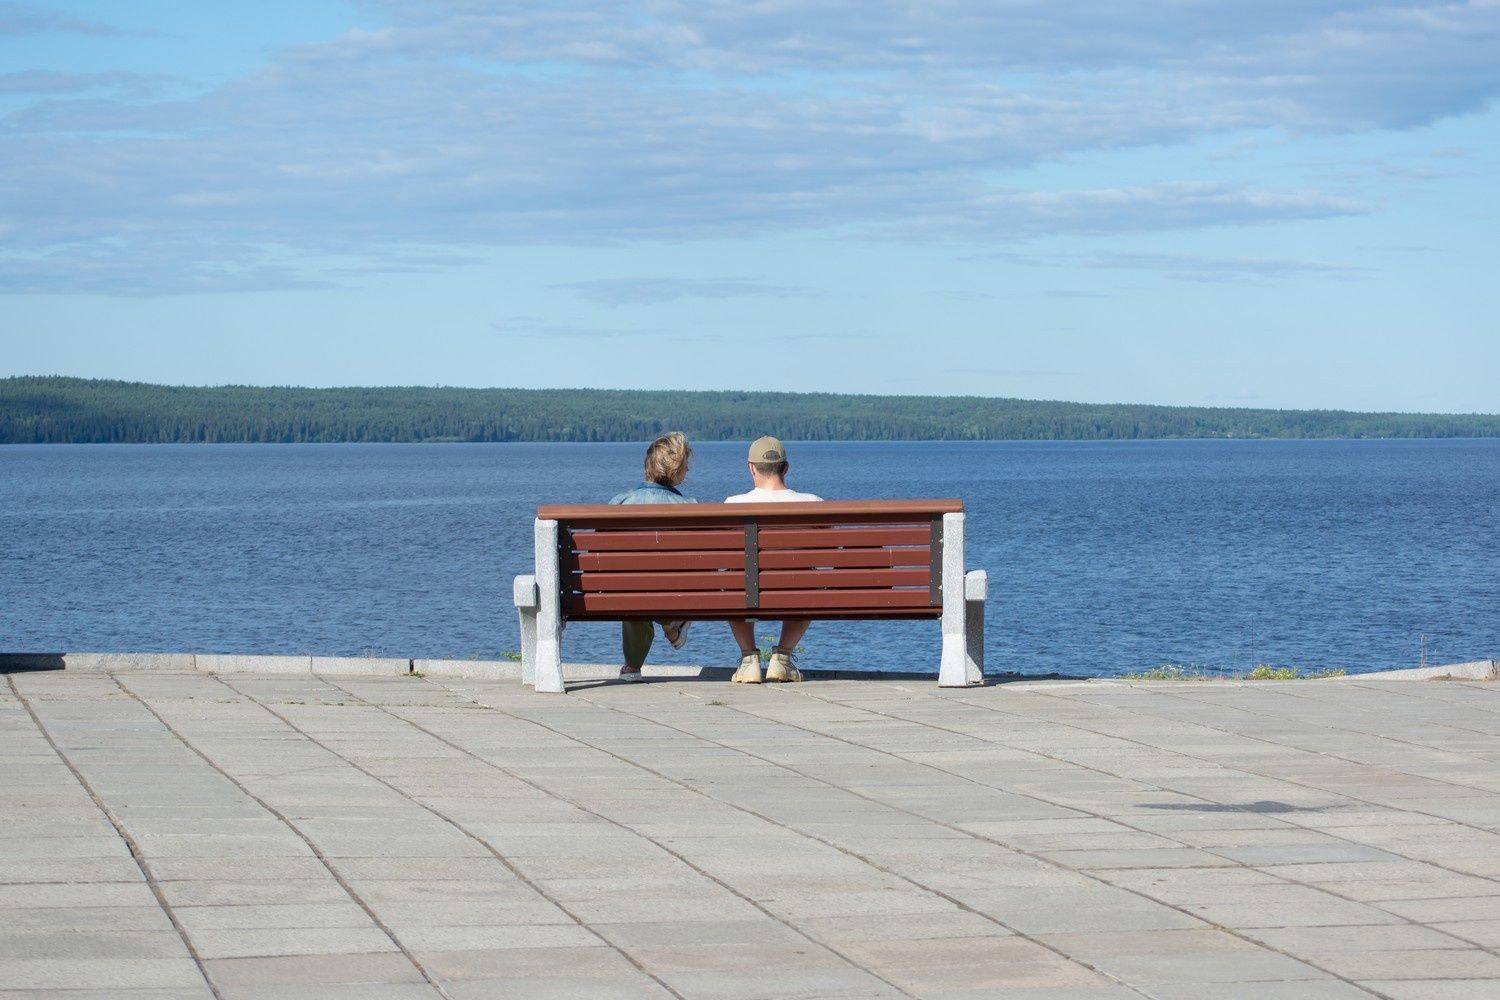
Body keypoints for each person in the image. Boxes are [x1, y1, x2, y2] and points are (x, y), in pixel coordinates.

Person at [725, 435, 821, 683]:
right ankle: (783, 659)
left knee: (733, 579)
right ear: (785, 468)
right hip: (797, 591)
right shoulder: (813, 504)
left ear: (751, 468)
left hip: (747, 591)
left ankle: (749, 660)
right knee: (809, 578)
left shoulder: (733, 505)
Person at [609, 432, 696, 681]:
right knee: (653, 582)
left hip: (626, 593)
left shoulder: (620, 503)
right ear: (676, 471)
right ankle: (671, 622)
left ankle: (632, 666)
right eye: (686, 466)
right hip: (673, 592)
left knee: (633, 585)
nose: (688, 470)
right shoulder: (690, 507)